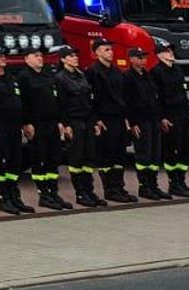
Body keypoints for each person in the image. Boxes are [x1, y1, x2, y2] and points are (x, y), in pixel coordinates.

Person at [0, 44, 34, 215]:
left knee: (14, 162)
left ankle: (14, 197)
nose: (3, 58)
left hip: (14, 126)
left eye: (3, 55)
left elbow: (20, 101)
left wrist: (26, 122)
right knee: (0, 163)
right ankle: (4, 199)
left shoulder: (10, 77)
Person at [17, 47, 72, 210]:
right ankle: (44, 195)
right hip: (36, 125)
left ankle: (53, 193)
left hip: (52, 123)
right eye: (36, 56)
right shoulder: (23, 77)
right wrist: (26, 123)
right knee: (39, 159)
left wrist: (61, 121)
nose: (40, 58)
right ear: (26, 59)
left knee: (53, 159)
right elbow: (22, 102)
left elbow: (57, 99)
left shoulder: (48, 75)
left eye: (41, 55)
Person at [87, 39, 138, 203]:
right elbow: (90, 98)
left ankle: (119, 187)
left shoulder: (116, 71)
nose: (110, 52)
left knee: (119, 155)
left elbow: (124, 96)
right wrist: (96, 119)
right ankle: (110, 189)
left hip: (119, 118)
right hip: (105, 119)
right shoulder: (93, 72)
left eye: (111, 49)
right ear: (97, 52)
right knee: (106, 156)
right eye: (106, 49)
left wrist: (127, 118)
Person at [54, 45, 104, 207]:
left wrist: (94, 121)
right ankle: (80, 193)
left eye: (75, 55)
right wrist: (66, 124)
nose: (75, 58)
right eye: (71, 56)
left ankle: (89, 191)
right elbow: (61, 104)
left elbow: (89, 100)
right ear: (63, 59)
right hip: (74, 121)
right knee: (77, 158)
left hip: (86, 120)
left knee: (89, 157)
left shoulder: (81, 75)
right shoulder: (60, 78)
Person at [153, 39, 189, 198]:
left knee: (185, 149)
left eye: (171, 50)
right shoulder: (157, 72)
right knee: (171, 150)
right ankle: (174, 182)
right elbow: (157, 97)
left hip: (183, 114)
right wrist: (162, 117)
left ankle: (182, 180)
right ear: (159, 55)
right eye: (167, 51)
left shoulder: (178, 70)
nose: (171, 53)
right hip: (170, 116)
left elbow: (184, 91)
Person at [124, 45, 170, 201]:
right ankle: (144, 186)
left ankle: (153, 185)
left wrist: (161, 117)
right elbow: (128, 102)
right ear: (131, 59)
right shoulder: (128, 77)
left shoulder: (148, 75)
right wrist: (132, 123)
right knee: (143, 155)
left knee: (155, 155)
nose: (143, 60)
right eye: (139, 57)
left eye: (144, 57)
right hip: (140, 121)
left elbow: (156, 98)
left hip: (153, 119)